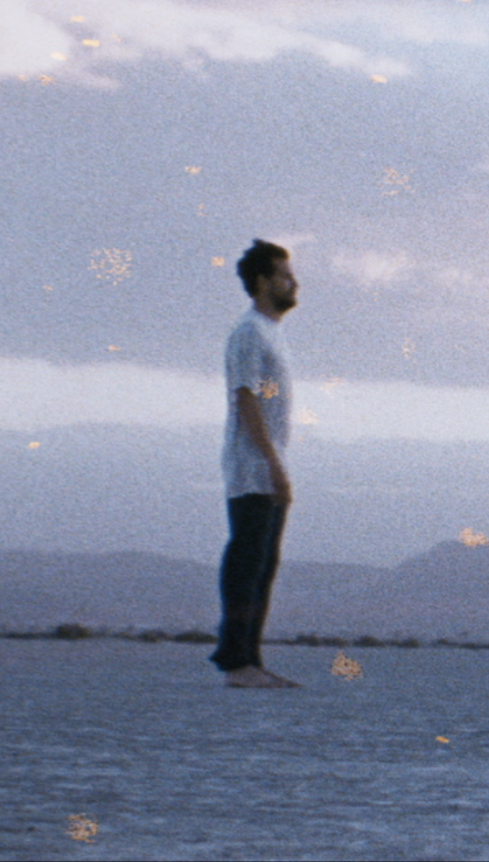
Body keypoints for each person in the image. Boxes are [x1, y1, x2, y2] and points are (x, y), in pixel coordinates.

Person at [211, 239, 302, 688]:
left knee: (264, 565)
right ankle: (236, 661)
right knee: (248, 562)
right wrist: (272, 465)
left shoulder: (270, 332)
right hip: (252, 469)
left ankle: (250, 659)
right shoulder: (248, 332)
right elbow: (245, 397)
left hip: (267, 465)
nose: (294, 282)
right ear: (263, 282)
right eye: (284, 275)